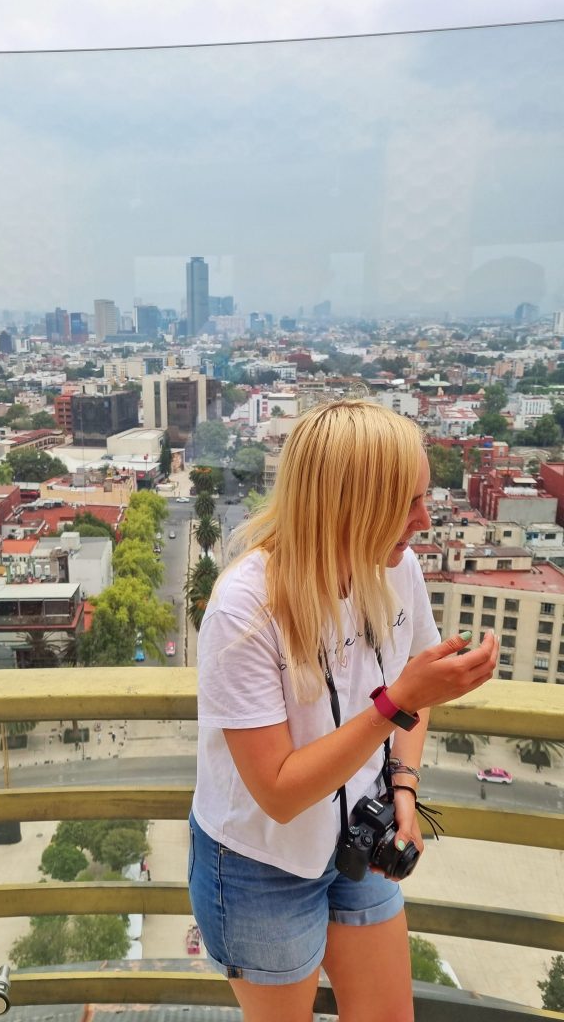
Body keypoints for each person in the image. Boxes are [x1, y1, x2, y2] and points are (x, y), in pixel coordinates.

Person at [188, 400, 498, 1022]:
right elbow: (278, 792)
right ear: (349, 506)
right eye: (407, 502)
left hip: (362, 830)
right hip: (261, 864)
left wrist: (403, 786)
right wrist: (397, 703)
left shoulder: (397, 568)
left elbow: (417, 689)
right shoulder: (244, 609)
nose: (424, 519)